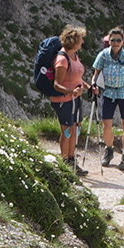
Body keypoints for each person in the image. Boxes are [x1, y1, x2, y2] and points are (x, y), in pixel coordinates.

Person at [89, 29, 124, 170]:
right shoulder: (103, 55)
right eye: (112, 40)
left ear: (123, 42)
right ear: (108, 41)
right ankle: (109, 150)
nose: (115, 43)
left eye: (118, 40)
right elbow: (95, 74)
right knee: (106, 123)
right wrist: (94, 85)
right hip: (108, 92)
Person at [45, 22, 90, 166]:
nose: (83, 41)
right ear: (75, 41)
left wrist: (87, 86)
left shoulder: (74, 56)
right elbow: (57, 84)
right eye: (81, 39)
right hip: (63, 100)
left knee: (75, 128)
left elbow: (76, 77)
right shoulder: (62, 59)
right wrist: (72, 91)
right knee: (67, 130)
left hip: (75, 98)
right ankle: (65, 161)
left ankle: (71, 160)